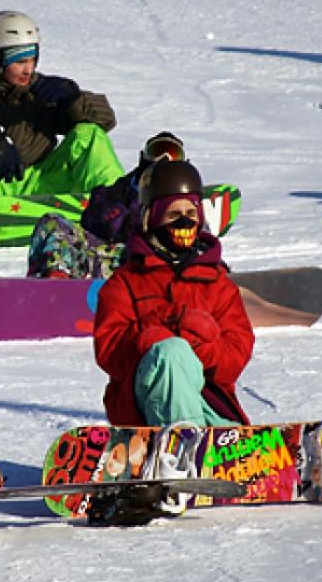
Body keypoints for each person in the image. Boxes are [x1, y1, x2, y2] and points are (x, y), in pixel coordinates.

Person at [93, 160, 254, 428]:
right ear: (152, 218)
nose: (184, 220)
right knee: (171, 352)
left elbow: (234, 357)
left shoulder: (217, 284)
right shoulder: (125, 283)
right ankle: (183, 447)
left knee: (180, 356)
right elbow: (110, 351)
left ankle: (218, 444)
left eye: (191, 212)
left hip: (207, 398)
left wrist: (202, 346)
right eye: (173, 214)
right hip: (143, 406)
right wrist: (150, 338)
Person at [0, 10, 125, 196]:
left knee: (88, 134)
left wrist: (73, 99)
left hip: (42, 185)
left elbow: (106, 120)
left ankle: (111, 202)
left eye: (32, 60)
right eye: (20, 62)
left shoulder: (40, 90)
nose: (28, 70)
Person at [27, 131, 188, 279]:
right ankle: (55, 284)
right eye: (157, 151)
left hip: (155, 267)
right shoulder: (115, 192)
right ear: (144, 157)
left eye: (175, 154)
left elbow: (197, 239)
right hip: (109, 261)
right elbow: (90, 225)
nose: (165, 158)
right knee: (52, 222)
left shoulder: (185, 202)